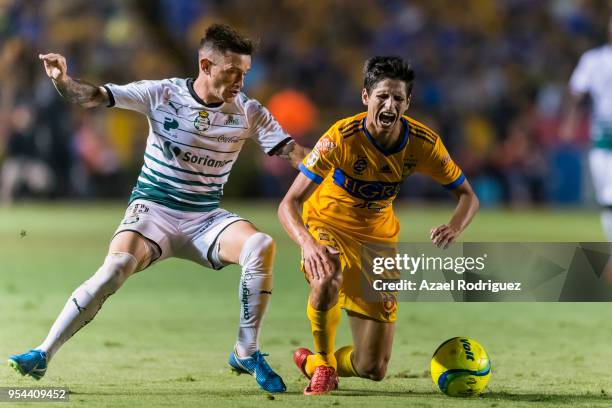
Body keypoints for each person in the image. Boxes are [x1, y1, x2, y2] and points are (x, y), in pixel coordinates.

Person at [8, 24, 309, 393]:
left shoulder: (248, 112)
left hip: (205, 217)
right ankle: (42, 352)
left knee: (260, 245)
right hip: (154, 211)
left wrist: (331, 165)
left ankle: (247, 351)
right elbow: (93, 96)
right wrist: (62, 80)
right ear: (206, 65)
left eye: (244, 73)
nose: (240, 81)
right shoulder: (161, 93)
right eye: (232, 72)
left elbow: (295, 154)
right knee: (115, 268)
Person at [278, 56, 479, 395]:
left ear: (408, 102)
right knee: (327, 273)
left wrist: (455, 226)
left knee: (373, 368)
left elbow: (468, 196)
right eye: (382, 96)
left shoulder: (422, 144)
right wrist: (307, 242)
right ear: (365, 97)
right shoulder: (341, 137)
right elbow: (288, 204)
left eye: (398, 98)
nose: (390, 104)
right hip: (327, 223)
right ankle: (324, 364)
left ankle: (314, 362)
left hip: (378, 243)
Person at [560, 15, 612, 276]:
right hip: (603, 139)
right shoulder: (593, 60)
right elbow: (576, 92)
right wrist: (569, 120)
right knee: (607, 198)